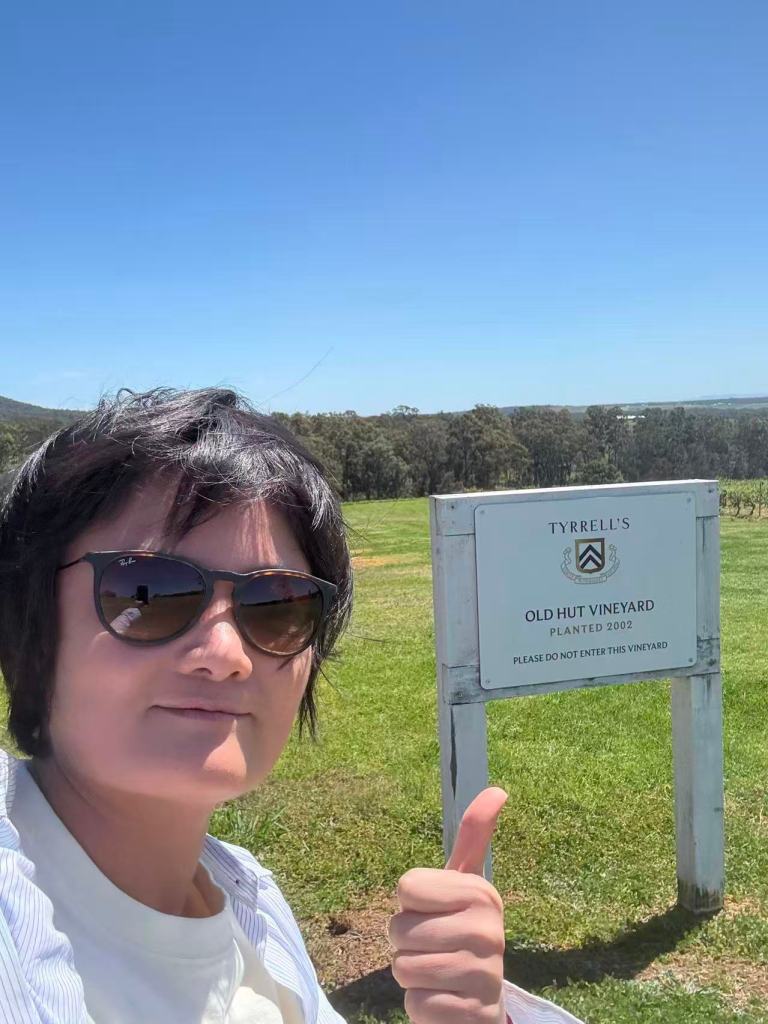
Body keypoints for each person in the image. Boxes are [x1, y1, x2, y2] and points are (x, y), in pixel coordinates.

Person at [0, 386, 583, 1024]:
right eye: (147, 591)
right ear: (29, 620)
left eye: (277, 606)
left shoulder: (248, 897)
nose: (225, 653)